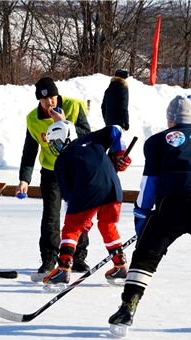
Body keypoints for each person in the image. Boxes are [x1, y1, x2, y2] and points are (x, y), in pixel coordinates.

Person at [108, 95, 191, 337]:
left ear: (169, 120)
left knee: (146, 255)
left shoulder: (156, 142)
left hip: (171, 204)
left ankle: (127, 307)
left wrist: (141, 215)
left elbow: (149, 183)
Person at [16, 77, 92, 278]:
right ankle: (49, 258)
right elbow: (30, 150)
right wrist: (24, 179)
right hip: (51, 171)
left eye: (52, 97)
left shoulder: (74, 106)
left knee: (78, 213)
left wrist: (65, 123)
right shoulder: (33, 119)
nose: (49, 102)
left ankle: (78, 257)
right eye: (44, 100)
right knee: (51, 214)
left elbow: (87, 135)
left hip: (76, 169)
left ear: (57, 95)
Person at [43, 120, 132, 289]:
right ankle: (120, 265)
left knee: (72, 227)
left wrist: (83, 220)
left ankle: (63, 267)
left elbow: (69, 197)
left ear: (63, 138)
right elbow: (116, 129)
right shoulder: (93, 138)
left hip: (87, 190)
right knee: (107, 224)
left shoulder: (62, 160)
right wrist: (120, 155)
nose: (55, 146)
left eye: (56, 142)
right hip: (113, 187)